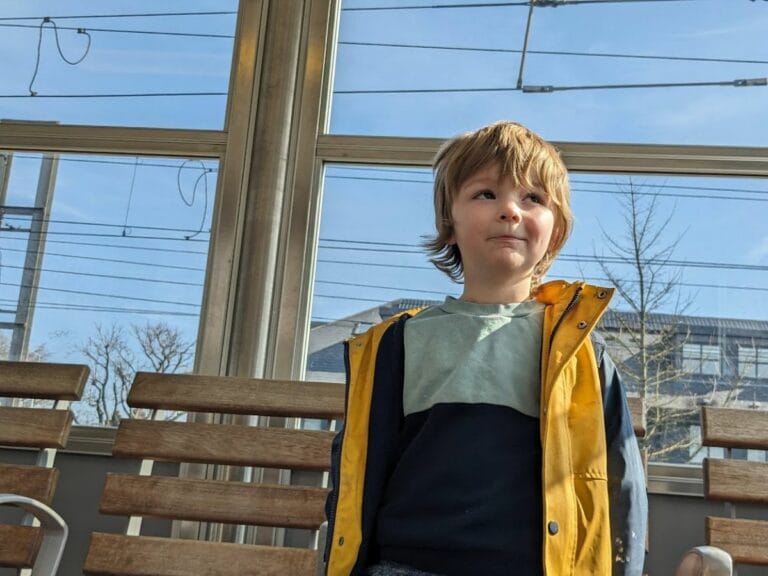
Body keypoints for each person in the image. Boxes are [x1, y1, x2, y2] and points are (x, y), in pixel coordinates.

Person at [324, 121, 647, 576]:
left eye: (533, 198)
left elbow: (621, 488)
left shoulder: (581, 357)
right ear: (448, 224)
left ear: (554, 233)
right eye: (486, 194)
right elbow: (358, 475)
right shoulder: (395, 344)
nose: (510, 210)